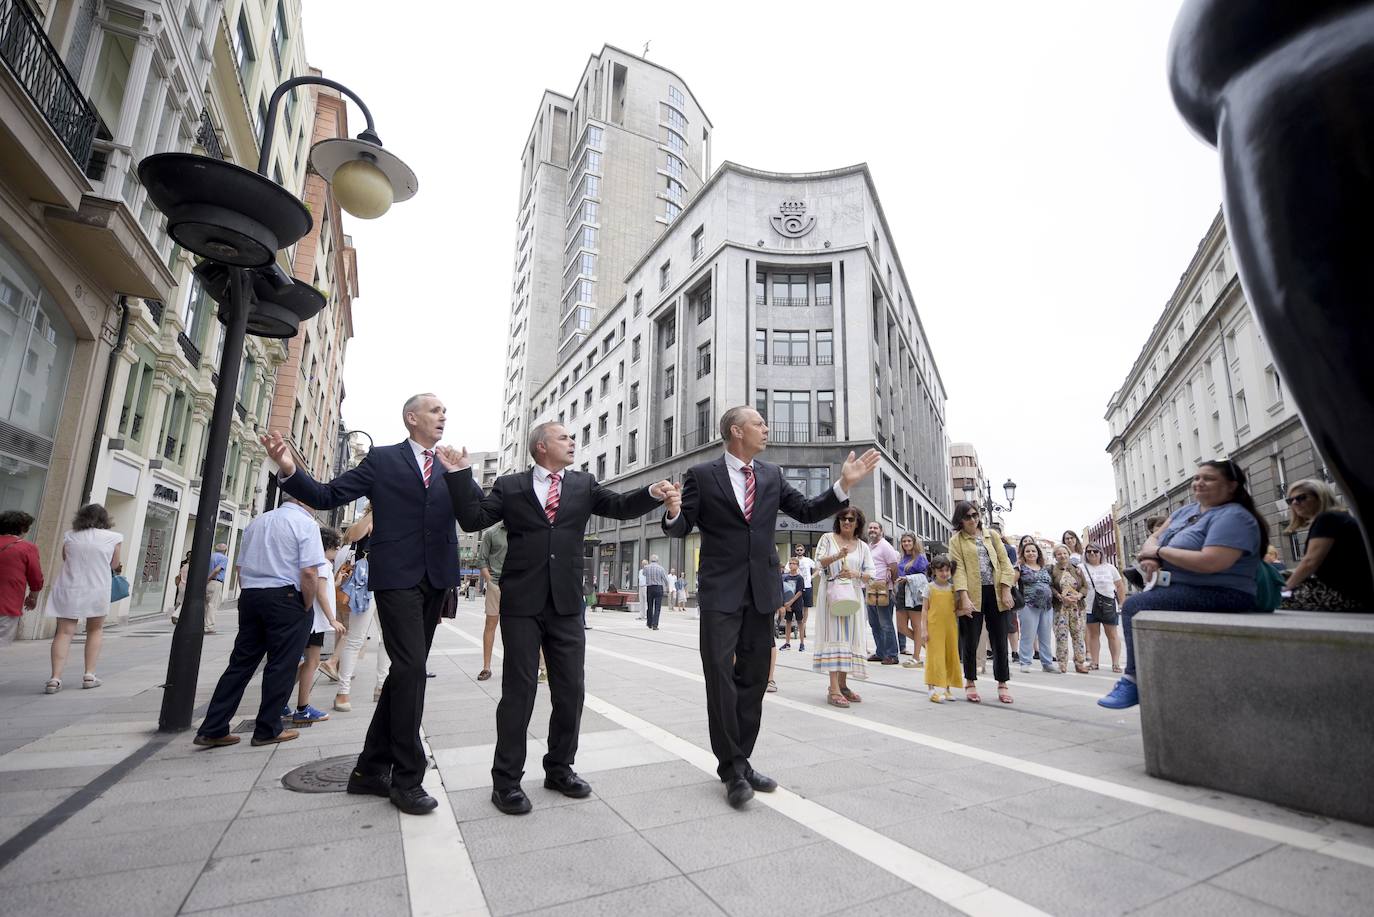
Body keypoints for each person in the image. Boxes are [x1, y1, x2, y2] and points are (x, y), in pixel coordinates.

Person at [441, 423, 670, 816]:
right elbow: (473, 519)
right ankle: (506, 781)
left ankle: (560, 769)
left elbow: (619, 506)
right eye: (564, 437)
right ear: (541, 446)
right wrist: (461, 474)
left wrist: (652, 493)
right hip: (522, 603)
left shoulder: (583, 484)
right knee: (519, 691)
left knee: (571, 690)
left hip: (565, 603)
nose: (572, 442)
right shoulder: (511, 486)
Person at [662, 406, 878, 808]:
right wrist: (674, 511)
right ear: (736, 431)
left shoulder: (772, 475)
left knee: (755, 677)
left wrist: (843, 485)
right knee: (719, 677)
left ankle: (741, 761)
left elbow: (808, 511)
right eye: (758, 423)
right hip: (720, 592)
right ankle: (732, 770)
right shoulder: (702, 475)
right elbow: (682, 526)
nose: (765, 428)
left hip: (761, 590)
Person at [265, 392, 464, 816]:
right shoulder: (384, 459)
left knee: (405, 673)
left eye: (445, 411)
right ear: (411, 418)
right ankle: (407, 778)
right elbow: (327, 494)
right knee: (411, 670)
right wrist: (288, 470)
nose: (443, 416)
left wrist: (462, 474)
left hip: (436, 580)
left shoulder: (448, 465)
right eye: (435, 410)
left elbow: (474, 515)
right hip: (396, 578)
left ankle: (369, 770)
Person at [1100, 460, 1267, 709]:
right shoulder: (1186, 511)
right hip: (1178, 586)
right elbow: (1153, 539)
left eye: (1209, 478)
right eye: (1197, 477)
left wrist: (1161, 553)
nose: (1199, 482)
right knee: (1140, 604)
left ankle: (1133, 680)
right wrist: (1151, 557)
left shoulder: (1234, 516)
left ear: (1232, 485)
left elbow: (1211, 561)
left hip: (1223, 591)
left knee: (1135, 606)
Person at [193, 495, 326, 748]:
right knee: (282, 664)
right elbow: (310, 571)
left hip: (252, 596)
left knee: (240, 664)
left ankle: (213, 727)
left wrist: (251, 592)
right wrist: (306, 604)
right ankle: (268, 728)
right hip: (286, 597)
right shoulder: (305, 523)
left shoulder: (258, 522)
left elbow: (240, 568)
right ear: (302, 499)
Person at [44, 504, 123, 693]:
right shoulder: (114, 538)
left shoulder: (70, 536)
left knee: (64, 632)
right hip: (97, 587)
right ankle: (89, 674)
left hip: (69, 587)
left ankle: (55, 678)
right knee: (95, 630)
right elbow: (114, 564)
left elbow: (66, 558)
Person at [948, 500, 1017, 704]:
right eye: (967, 516)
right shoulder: (956, 541)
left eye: (975, 515)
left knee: (999, 639)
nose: (973, 520)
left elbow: (1005, 563)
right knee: (970, 639)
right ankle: (970, 681)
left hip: (996, 592)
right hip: (972, 593)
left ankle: (1002, 683)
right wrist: (964, 597)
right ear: (960, 520)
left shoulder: (991, 535)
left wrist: (1006, 589)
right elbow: (958, 569)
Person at [811, 509, 875, 707]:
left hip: (853, 595)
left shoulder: (863, 546)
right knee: (835, 637)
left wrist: (855, 574)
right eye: (842, 518)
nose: (846, 522)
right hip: (832, 595)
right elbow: (818, 563)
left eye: (851, 519)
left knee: (849, 638)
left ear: (857, 523)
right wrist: (837, 556)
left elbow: (871, 574)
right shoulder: (827, 538)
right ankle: (833, 689)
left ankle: (843, 685)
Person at [1282, 478, 1374, 610]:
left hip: (1347, 594)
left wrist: (1284, 589)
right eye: (1290, 500)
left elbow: (1310, 562)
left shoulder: (1327, 519)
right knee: (1277, 578)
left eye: (1301, 497)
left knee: (1270, 599)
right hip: (1355, 590)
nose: (1295, 503)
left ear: (1320, 497)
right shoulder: (1337, 517)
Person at [293, 526, 347, 723]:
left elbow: (323, 588)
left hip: (310, 619)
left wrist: (337, 582)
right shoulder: (323, 564)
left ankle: (280, 700)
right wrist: (332, 619)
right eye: (336, 547)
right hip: (316, 621)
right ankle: (302, 708)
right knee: (312, 662)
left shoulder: (318, 564)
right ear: (329, 546)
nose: (337, 551)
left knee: (304, 662)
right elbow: (321, 593)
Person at [922, 554, 962, 703]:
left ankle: (947, 688)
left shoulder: (953, 589)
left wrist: (965, 611)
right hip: (934, 628)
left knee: (950, 656)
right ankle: (931, 690)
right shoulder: (929, 587)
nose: (944, 573)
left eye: (947, 570)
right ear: (934, 571)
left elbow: (955, 610)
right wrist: (924, 630)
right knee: (934, 657)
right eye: (941, 571)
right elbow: (924, 610)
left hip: (950, 628)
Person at [0, 511, 43, 646]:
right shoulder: (27, 548)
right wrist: (33, 598)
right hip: (7, 603)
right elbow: (36, 578)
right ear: (23, 528)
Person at [1082, 543, 1126, 673]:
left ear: (1101, 553)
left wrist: (1122, 603)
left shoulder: (1110, 568)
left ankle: (1116, 663)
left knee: (1112, 634)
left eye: (1095, 551)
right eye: (1089, 551)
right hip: (1090, 605)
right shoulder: (1081, 568)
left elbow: (1119, 586)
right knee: (1093, 635)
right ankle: (1094, 662)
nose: (1092, 553)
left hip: (1108, 605)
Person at [864, 521, 901, 665]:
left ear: (881, 531)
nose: (872, 530)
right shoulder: (869, 546)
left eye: (875, 528)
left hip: (883, 589)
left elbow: (894, 566)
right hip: (870, 588)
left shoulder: (885, 546)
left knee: (885, 623)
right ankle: (880, 652)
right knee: (874, 623)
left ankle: (892, 655)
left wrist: (892, 585)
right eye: (870, 527)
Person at [1016, 541, 1056, 673]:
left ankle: (1047, 663)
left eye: (1033, 551)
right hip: (1028, 605)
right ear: (1023, 554)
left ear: (1038, 553)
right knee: (1028, 635)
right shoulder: (1020, 568)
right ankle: (1025, 662)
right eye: (1027, 551)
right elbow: (1011, 583)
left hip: (1047, 606)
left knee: (1045, 636)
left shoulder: (1045, 568)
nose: (1031, 553)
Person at [1049, 544, 1090, 674]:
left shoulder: (1076, 569)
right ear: (1055, 556)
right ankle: (1062, 664)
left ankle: (1080, 663)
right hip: (1061, 609)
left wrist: (1079, 595)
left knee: (1078, 636)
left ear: (1068, 554)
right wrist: (1060, 597)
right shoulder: (1052, 570)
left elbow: (1085, 586)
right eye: (1059, 554)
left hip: (1077, 608)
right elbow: (1050, 587)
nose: (1062, 556)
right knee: (1061, 636)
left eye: (1064, 553)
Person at [475, 522, 507, 680]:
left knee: (519, 627)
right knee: (490, 624)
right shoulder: (491, 533)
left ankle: (515, 667)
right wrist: (490, 581)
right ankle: (486, 667)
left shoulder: (524, 529)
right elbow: (482, 560)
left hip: (519, 585)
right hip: (496, 584)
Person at [894, 533, 928, 664]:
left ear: (914, 542)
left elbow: (924, 577)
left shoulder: (920, 558)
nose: (906, 543)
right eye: (904, 541)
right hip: (901, 592)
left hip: (915, 593)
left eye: (909, 541)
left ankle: (916, 657)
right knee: (901, 627)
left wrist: (908, 578)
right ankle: (924, 644)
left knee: (916, 626)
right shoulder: (902, 558)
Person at [779, 558, 807, 650]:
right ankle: (787, 643)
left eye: (794, 563)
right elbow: (784, 590)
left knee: (800, 622)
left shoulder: (800, 578)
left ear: (797, 566)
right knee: (788, 622)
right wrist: (785, 604)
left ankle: (802, 643)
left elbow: (799, 592)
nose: (792, 565)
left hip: (797, 603)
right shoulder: (786, 578)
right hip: (788, 604)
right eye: (790, 563)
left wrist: (791, 602)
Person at [205, 542, 229, 634]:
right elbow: (216, 570)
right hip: (215, 582)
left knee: (205, 604)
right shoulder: (224, 558)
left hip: (205, 582)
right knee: (212, 605)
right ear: (225, 550)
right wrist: (208, 579)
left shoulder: (210, 556)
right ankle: (209, 626)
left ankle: (202, 624)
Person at [643, 554, 668, 630]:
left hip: (649, 588)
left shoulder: (646, 567)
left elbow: (644, 574)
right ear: (657, 560)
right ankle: (655, 625)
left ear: (650, 560)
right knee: (657, 607)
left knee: (650, 606)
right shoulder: (661, 568)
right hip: (658, 587)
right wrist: (667, 587)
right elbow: (665, 579)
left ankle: (649, 623)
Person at [171, 550, 192, 624]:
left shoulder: (184, 566)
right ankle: (175, 615)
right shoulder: (191, 567)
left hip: (181, 585)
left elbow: (179, 576)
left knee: (179, 601)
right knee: (184, 602)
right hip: (186, 585)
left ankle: (176, 614)